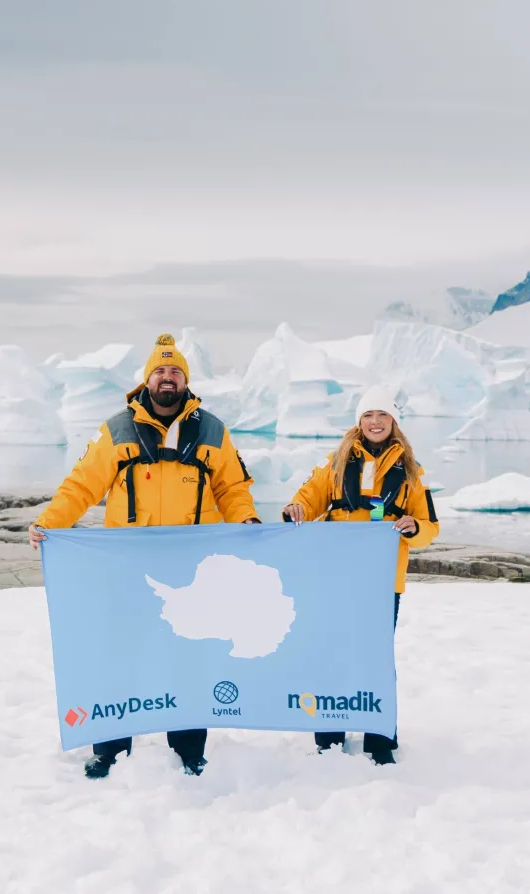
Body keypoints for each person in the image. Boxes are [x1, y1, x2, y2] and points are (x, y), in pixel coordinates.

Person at [29, 333, 260, 779]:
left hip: (192, 569)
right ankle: (110, 748)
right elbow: (81, 486)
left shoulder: (212, 430)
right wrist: (50, 522)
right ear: (147, 380)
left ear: (185, 381)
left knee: (188, 656)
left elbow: (232, 488)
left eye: (175, 371)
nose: (167, 377)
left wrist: (246, 520)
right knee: (121, 656)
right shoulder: (117, 430)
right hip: (129, 569)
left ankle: (189, 749)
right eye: (160, 371)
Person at [282, 385, 439, 765]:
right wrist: (295, 509)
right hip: (336, 578)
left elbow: (429, 526)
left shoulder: (412, 472)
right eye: (368, 415)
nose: (375, 422)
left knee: (375, 658)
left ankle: (379, 739)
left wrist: (414, 527)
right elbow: (308, 498)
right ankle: (329, 735)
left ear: (393, 421)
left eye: (382, 415)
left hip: (382, 582)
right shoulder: (334, 463)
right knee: (332, 652)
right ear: (359, 421)